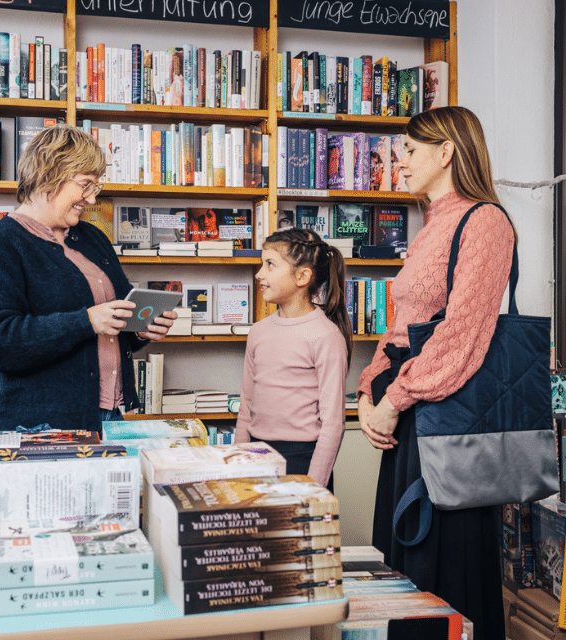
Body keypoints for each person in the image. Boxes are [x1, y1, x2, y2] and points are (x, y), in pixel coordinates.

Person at [357, 106, 514, 640]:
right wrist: (367, 391)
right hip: (409, 415)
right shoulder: (431, 225)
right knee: (406, 570)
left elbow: (462, 335)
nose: (397, 161)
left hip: (447, 421)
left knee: (445, 571)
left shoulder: (485, 221)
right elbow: (401, 325)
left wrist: (394, 398)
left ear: (446, 151)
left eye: (409, 150)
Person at [0, 124, 176, 434]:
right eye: (85, 184)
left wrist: (142, 329)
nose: (91, 199)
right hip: (35, 427)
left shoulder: (91, 238)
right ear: (49, 173)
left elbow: (113, 323)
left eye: (96, 186)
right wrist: (86, 321)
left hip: (105, 416)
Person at [234, 228, 352, 492]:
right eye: (261, 264)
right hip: (256, 455)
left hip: (302, 461)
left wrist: (314, 489)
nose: (259, 274)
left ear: (302, 276)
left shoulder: (326, 337)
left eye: (270, 265)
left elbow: (333, 424)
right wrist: (238, 467)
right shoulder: (258, 332)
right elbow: (246, 406)